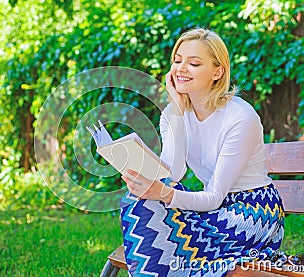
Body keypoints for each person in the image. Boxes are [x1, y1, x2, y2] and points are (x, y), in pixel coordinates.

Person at [120, 27, 284, 277]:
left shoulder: (240, 116)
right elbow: (172, 173)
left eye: (194, 63)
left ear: (218, 72)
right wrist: (176, 110)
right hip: (214, 210)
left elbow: (215, 196)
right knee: (137, 201)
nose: (181, 68)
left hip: (252, 214)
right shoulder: (172, 115)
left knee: (162, 224)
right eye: (177, 60)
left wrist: (163, 192)